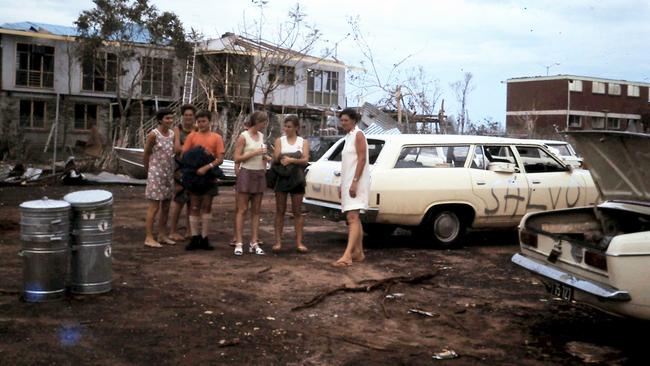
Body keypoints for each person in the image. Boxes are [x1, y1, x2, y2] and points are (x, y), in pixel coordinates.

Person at [181, 110, 225, 251]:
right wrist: (197, 154)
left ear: (209, 121)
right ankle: (195, 237)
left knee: (207, 206)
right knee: (194, 206)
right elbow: (184, 155)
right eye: (199, 121)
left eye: (204, 121)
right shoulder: (191, 137)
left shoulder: (216, 137)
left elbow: (220, 159)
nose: (201, 124)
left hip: (209, 174)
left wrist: (207, 165)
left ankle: (205, 237)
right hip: (194, 175)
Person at [333, 108, 370, 267]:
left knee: (352, 218)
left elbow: (362, 159)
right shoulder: (348, 137)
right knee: (354, 217)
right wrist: (343, 184)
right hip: (348, 181)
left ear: (354, 120)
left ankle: (347, 255)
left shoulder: (359, 135)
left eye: (346, 120)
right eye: (341, 121)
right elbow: (347, 163)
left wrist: (355, 181)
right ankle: (359, 252)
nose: (343, 123)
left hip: (358, 180)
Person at [233, 111, 272, 256]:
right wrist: (255, 153)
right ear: (256, 122)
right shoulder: (243, 137)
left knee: (256, 211)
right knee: (242, 209)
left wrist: (265, 157)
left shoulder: (262, 136)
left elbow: (261, 154)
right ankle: (238, 242)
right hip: (246, 173)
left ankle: (254, 242)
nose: (264, 125)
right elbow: (237, 158)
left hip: (259, 173)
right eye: (263, 122)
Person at [271, 115, 309, 253]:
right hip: (282, 177)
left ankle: (299, 242)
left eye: (289, 127)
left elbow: (305, 160)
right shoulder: (279, 140)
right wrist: (288, 157)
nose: (286, 129)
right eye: (285, 126)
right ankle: (278, 242)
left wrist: (291, 160)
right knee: (280, 210)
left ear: (296, 128)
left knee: (297, 211)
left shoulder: (302, 141)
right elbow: (276, 157)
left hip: (297, 177)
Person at [143, 109, 176, 248]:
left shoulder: (172, 134)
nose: (170, 121)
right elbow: (146, 153)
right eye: (167, 118)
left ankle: (162, 235)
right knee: (154, 206)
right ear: (160, 120)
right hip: (155, 173)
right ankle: (149, 237)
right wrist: (148, 170)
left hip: (168, 173)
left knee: (166, 205)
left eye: (171, 118)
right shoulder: (153, 134)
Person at [168, 104, 196, 241]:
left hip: (193, 168)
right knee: (179, 200)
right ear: (182, 116)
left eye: (191, 115)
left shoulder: (196, 130)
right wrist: (189, 148)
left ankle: (190, 230)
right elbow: (177, 149)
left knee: (192, 200)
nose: (188, 117)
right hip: (179, 168)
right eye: (186, 115)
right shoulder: (177, 130)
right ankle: (173, 230)